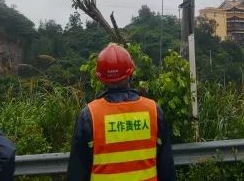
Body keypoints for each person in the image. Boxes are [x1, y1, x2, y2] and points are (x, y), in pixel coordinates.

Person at [67, 43, 175, 181]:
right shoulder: (153, 111)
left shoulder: (89, 115)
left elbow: (77, 172)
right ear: (131, 73)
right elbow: (167, 169)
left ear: (101, 78)